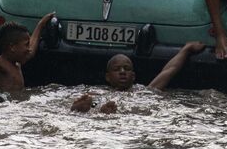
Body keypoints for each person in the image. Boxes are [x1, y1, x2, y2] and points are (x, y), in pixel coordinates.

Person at [71, 41, 206, 114]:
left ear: (133, 76)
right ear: (108, 77)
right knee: (92, 104)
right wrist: (86, 106)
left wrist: (186, 49)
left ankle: (105, 114)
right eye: (117, 69)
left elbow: (169, 71)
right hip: (101, 113)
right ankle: (90, 111)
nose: (123, 72)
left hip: (130, 119)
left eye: (127, 69)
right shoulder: (97, 93)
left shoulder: (145, 91)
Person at [0, 13, 55, 92]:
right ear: (12, 47)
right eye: (26, 45)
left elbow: (31, 51)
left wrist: (40, 25)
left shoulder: (17, 63)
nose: (29, 49)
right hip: (2, 102)